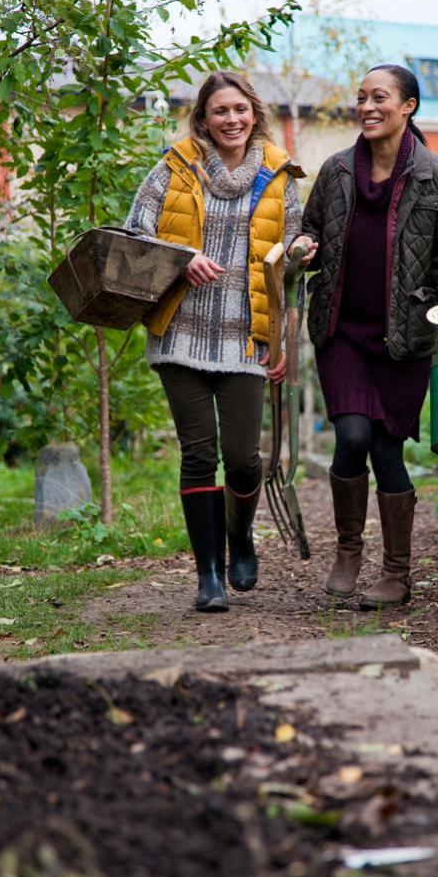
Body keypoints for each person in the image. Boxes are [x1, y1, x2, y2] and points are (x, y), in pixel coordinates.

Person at [291, 64, 438, 607]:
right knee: (351, 438)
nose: (367, 107)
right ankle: (349, 549)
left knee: (389, 453)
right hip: (341, 329)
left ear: (408, 107)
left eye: (380, 97)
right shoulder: (337, 170)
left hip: (403, 338)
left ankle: (396, 574)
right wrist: (302, 248)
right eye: (362, 97)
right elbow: (309, 228)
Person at [126, 71, 303, 613]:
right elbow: (133, 236)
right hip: (180, 333)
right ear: (203, 118)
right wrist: (182, 260)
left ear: (254, 115)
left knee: (245, 460)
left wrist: (300, 254)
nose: (232, 120)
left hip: (247, 337)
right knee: (199, 455)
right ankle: (209, 576)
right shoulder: (172, 169)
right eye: (220, 111)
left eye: (241, 110)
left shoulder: (280, 175)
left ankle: (240, 535)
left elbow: (291, 258)